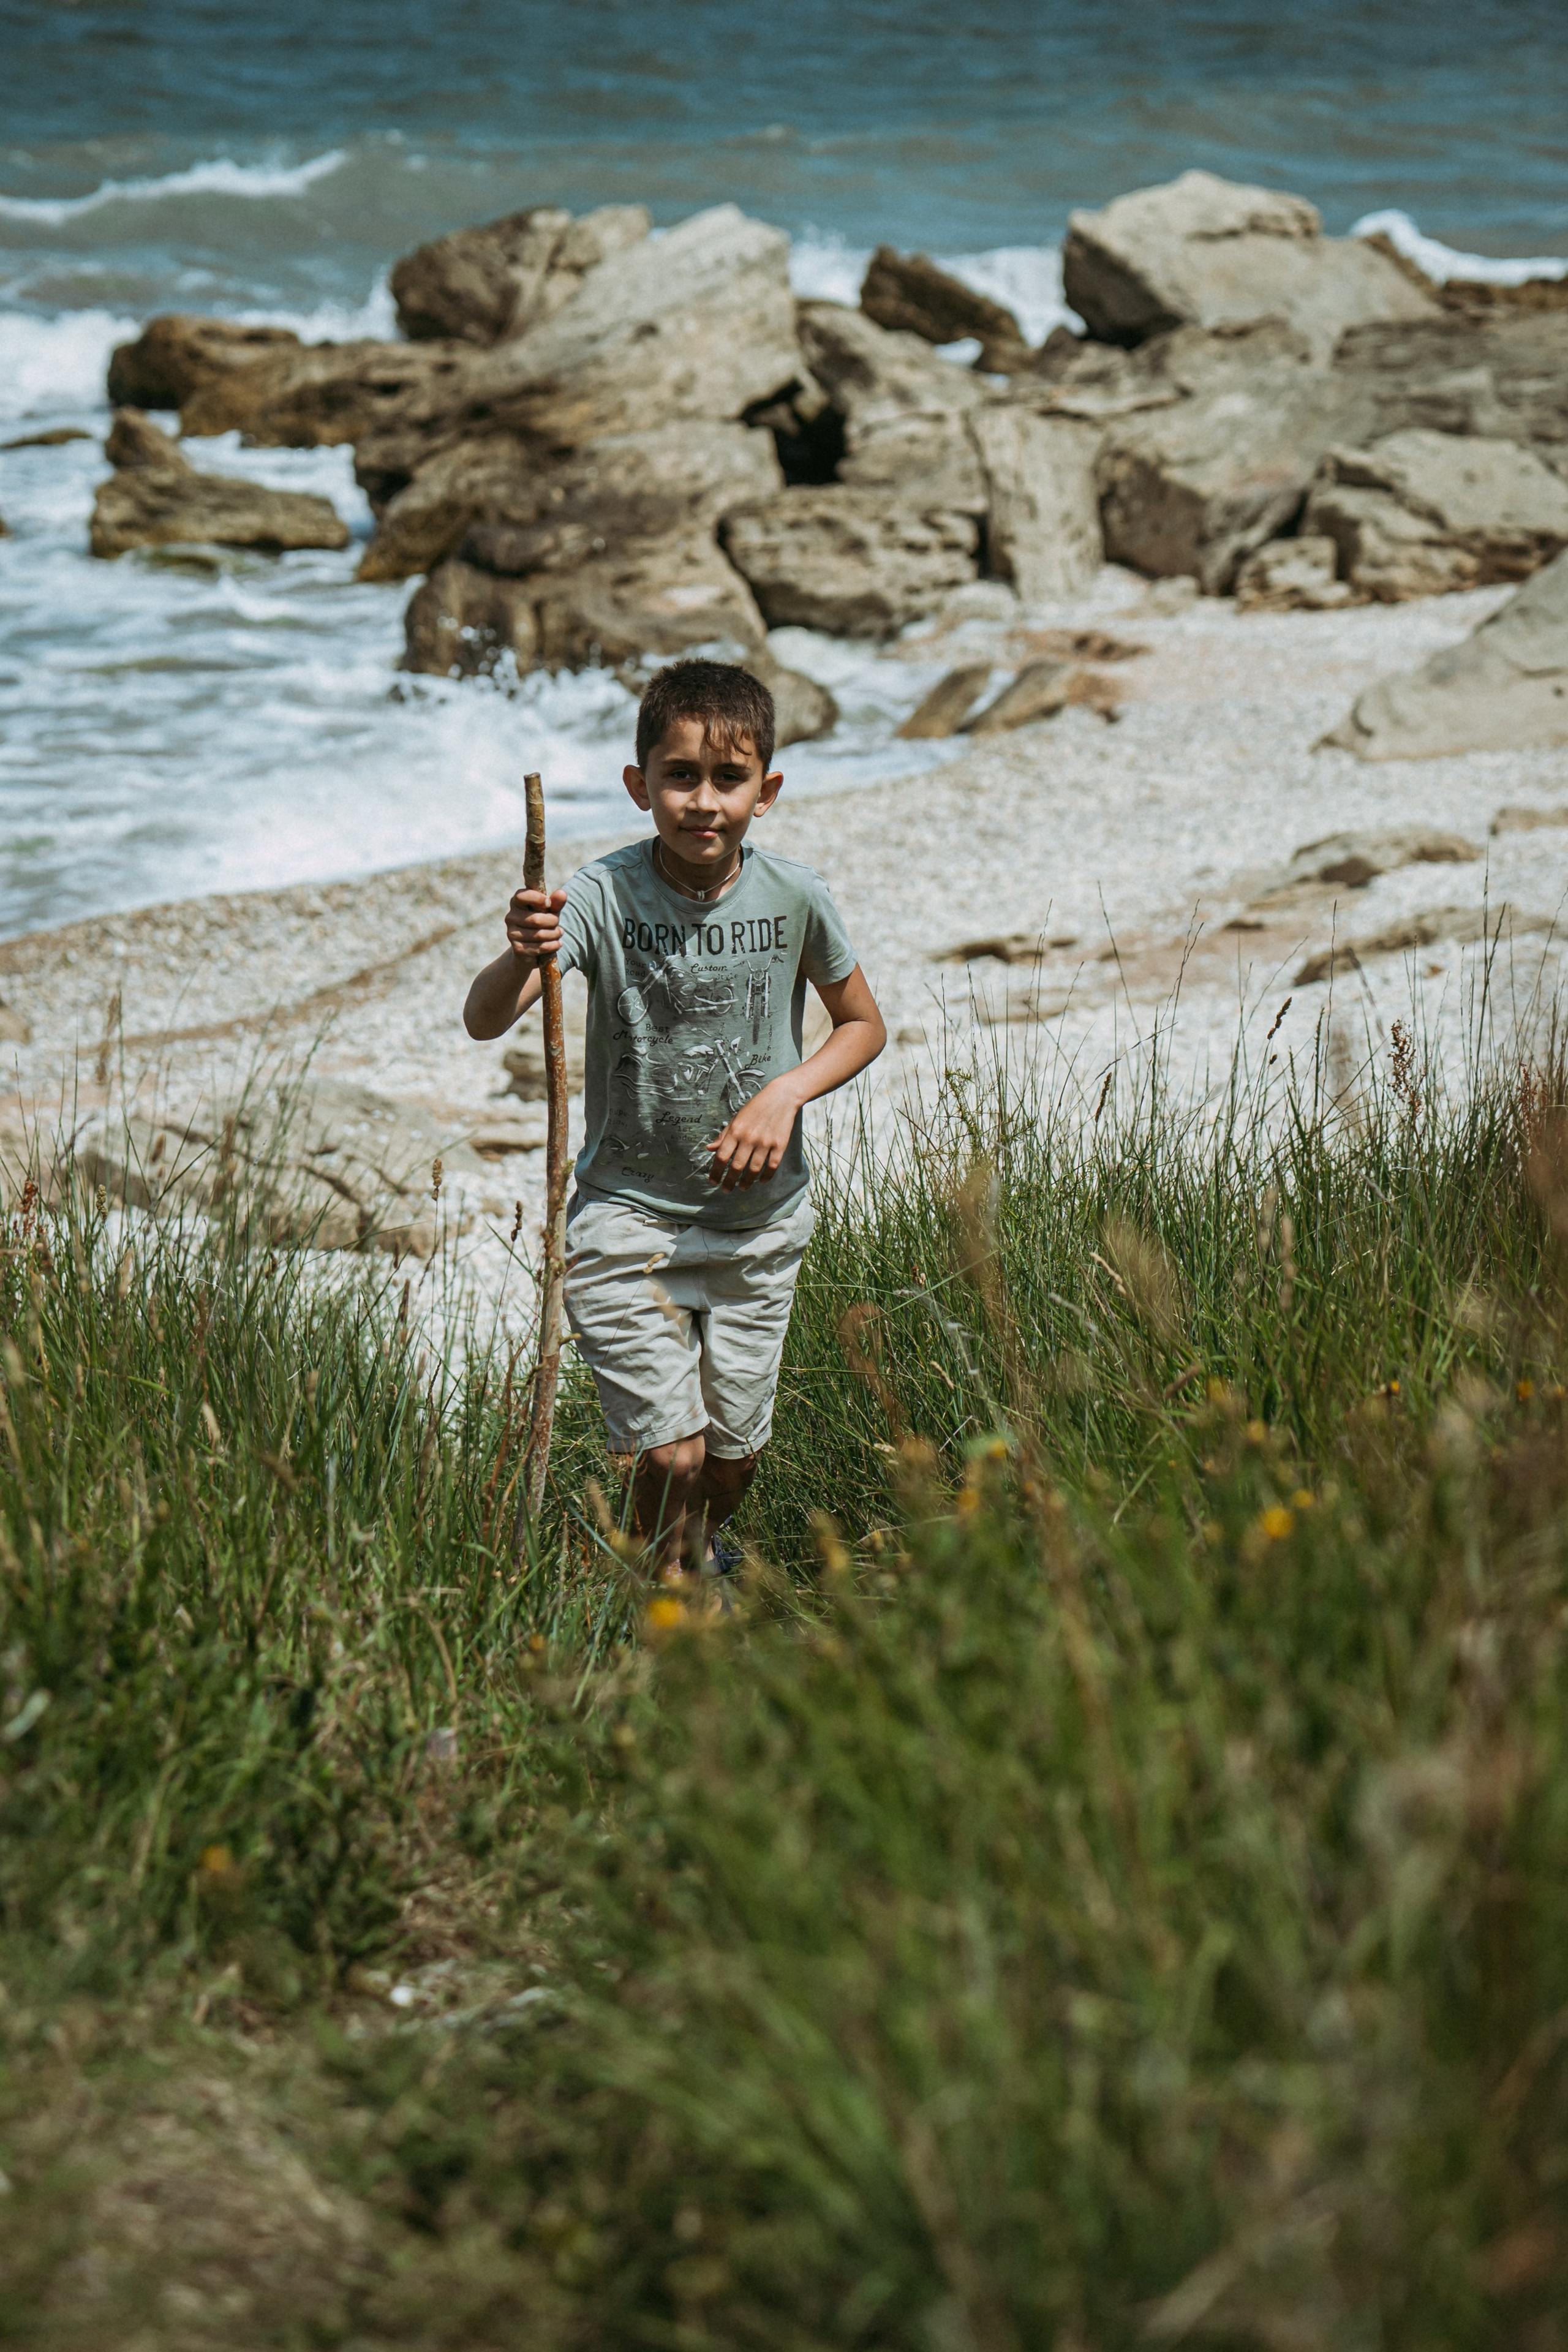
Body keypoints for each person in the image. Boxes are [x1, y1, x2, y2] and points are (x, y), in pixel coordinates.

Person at [463, 657, 886, 1574]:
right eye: (680, 776)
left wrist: (785, 1092)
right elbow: (485, 1019)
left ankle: (674, 1554)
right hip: (628, 1217)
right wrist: (521, 952)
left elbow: (863, 1025)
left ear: (766, 791)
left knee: (731, 1462)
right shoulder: (602, 896)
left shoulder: (796, 896)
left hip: (757, 1224)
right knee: (672, 1455)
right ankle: (667, 1590)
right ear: (638, 784)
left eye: (729, 779)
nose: (703, 801)